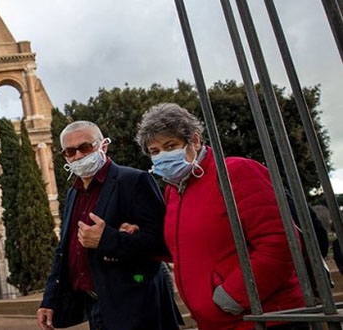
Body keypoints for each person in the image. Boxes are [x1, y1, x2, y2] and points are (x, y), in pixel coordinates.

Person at [135, 103, 306, 330]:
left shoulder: (235, 172)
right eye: (155, 151)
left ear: (194, 141)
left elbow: (280, 241)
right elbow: (185, 249)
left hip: (264, 319)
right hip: (216, 323)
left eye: (170, 145)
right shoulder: (173, 191)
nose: (162, 156)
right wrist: (136, 237)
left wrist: (232, 297)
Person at [36, 121, 180, 330]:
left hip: (137, 307)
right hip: (97, 306)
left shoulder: (134, 181)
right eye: (69, 151)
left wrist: (108, 239)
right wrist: (50, 299)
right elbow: (64, 251)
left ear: (103, 146)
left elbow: (163, 243)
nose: (77, 156)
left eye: (85, 148)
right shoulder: (73, 193)